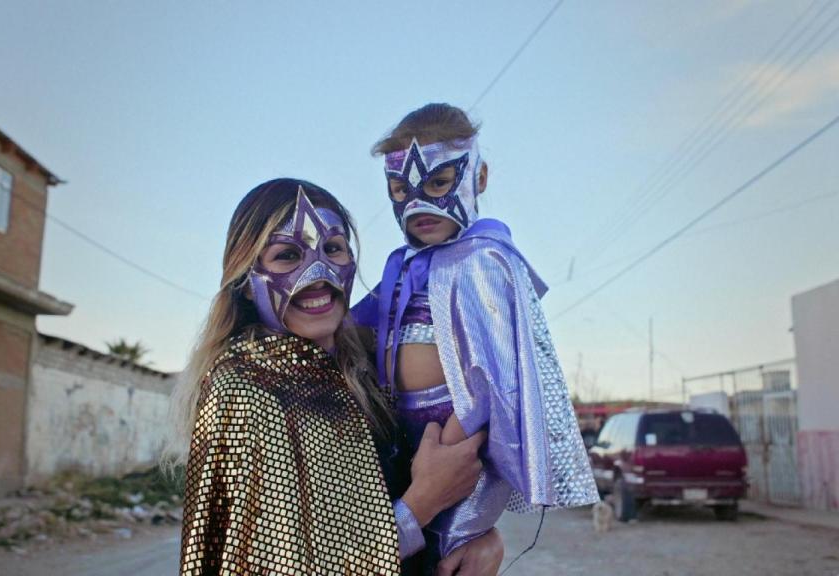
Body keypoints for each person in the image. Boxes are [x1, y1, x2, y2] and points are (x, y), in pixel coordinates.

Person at [172, 178, 504, 575]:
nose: (318, 272)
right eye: (287, 255)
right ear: (245, 283)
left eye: (332, 248)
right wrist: (422, 504)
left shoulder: (369, 368)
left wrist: (477, 533)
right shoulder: (244, 390)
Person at [353, 104, 600, 568]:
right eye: (400, 189)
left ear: (478, 176)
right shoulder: (403, 267)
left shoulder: (485, 259)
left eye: (439, 183)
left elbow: (489, 381)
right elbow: (352, 332)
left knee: (440, 561)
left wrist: (447, 464)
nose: (418, 203)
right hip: (400, 451)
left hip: (455, 452)